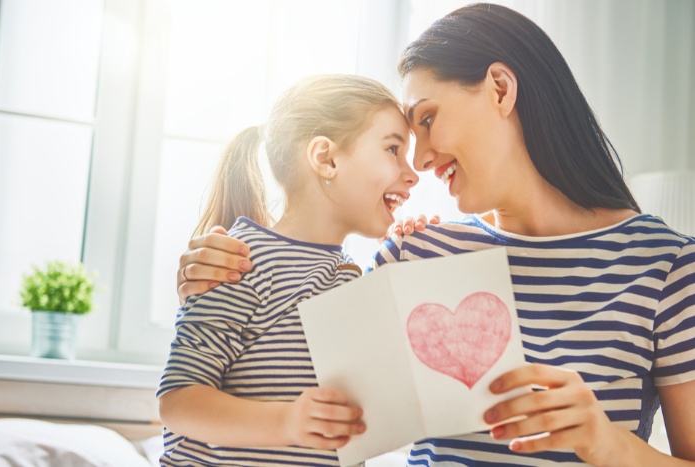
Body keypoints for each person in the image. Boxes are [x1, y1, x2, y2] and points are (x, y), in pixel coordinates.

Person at [174, 4, 695, 467]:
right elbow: (274, 368)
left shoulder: (667, 267)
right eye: (402, 141)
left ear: (499, 88)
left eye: (427, 119)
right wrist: (216, 274)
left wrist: (609, 445)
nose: (420, 162)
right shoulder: (415, 252)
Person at [157, 74, 419, 467]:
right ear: (326, 158)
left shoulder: (349, 278)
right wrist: (287, 421)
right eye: (393, 150)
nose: (412, 173)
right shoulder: (239, 262)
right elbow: (179, 402)